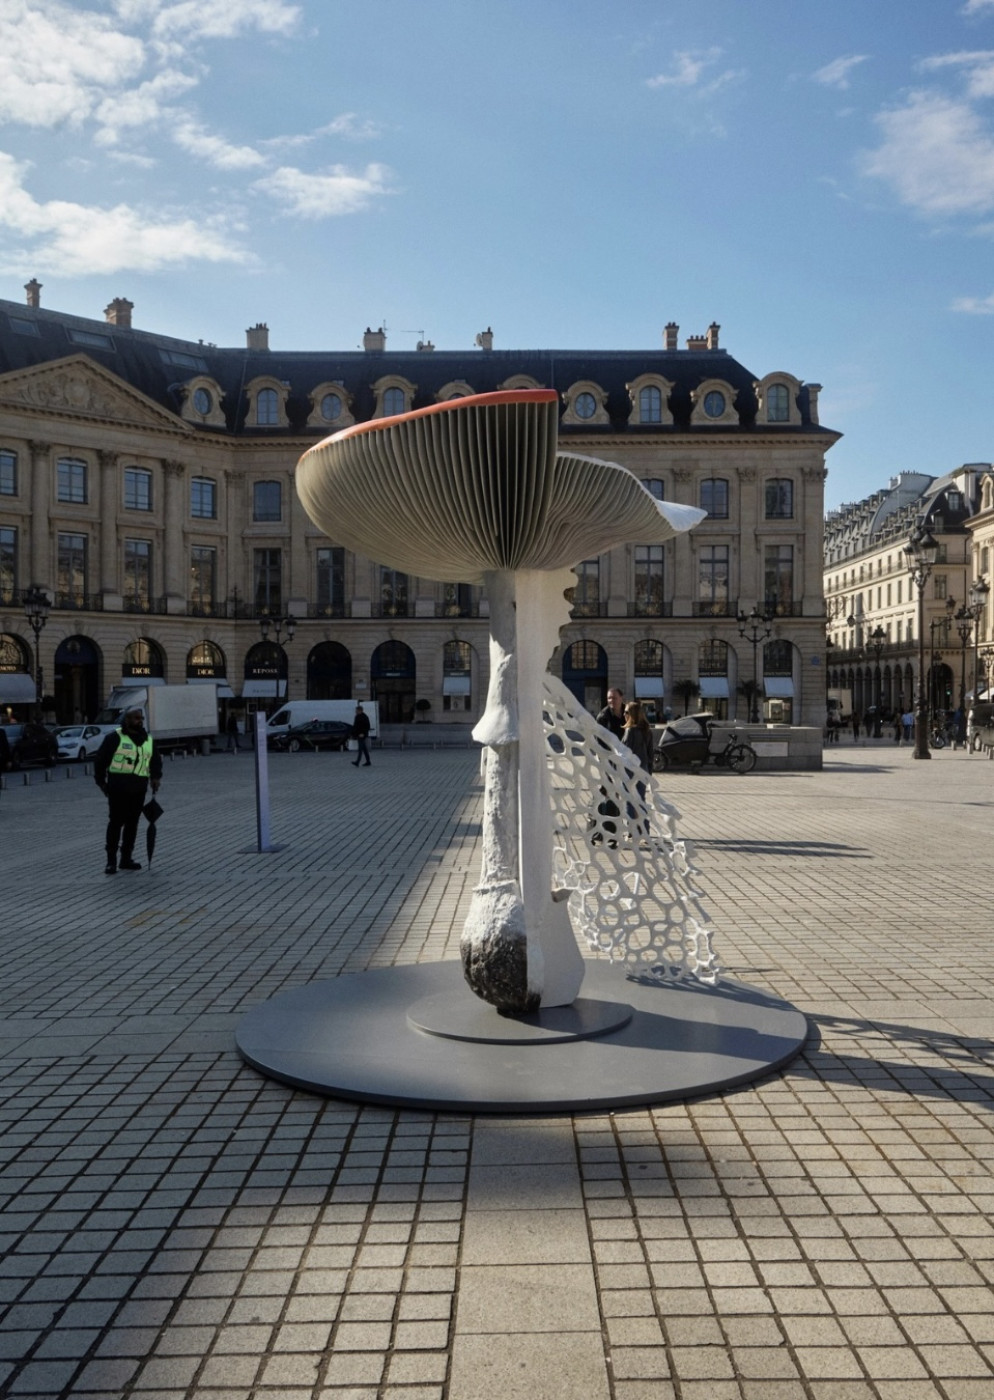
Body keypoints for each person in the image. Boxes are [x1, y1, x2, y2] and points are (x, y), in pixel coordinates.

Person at [93, 707, 162, 874]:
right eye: (136, 718)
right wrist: (102, 783)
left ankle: (126, 858)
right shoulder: (114, 738)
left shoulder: (148, 740)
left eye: (141, 718)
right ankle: (111, 861)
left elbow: (155, 761)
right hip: (118, 789)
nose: (140, 721)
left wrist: (155, 778)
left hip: (138, 789)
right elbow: (100, 761)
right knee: (115, 823)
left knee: (132, 824)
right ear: (127, 720)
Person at [622, 700, 654, 837]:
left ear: (632, 714)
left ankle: (632, 830)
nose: (624, 714)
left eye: (626, 712)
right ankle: (645, 830)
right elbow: (650, 753)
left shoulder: (630, 731)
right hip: (644, 769)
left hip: (630, 770)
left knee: (630, 799)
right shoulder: (646, 730)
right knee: (641, 800)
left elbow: (625, 753)